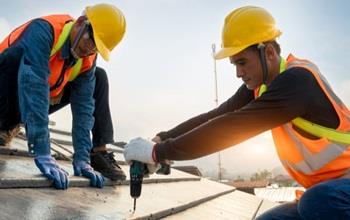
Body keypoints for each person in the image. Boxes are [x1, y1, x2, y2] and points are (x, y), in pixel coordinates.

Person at [124, 6, 350, 219]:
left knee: (318, 203)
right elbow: (217, 116)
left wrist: (158, 153)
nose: (238, 73)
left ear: (269, 52)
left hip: (335, 192)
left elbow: (232, 126)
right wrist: (161, 138)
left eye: (242, 62)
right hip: (331, 191)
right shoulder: (260, 87)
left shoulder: (297, 81)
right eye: (234, 65)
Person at [0, 3, 126, 189]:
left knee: (98, 76)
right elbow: (34, 85)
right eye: (91, 41)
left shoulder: (87, 59)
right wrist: (41, 150)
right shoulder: (44, 30)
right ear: (82, 23)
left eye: (97, 48)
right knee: (17, 58)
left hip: (27, 103)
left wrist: (82, 157)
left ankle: (97, 152)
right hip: (7, 90)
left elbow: (84, 108)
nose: (90, 50)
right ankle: (4, 124)